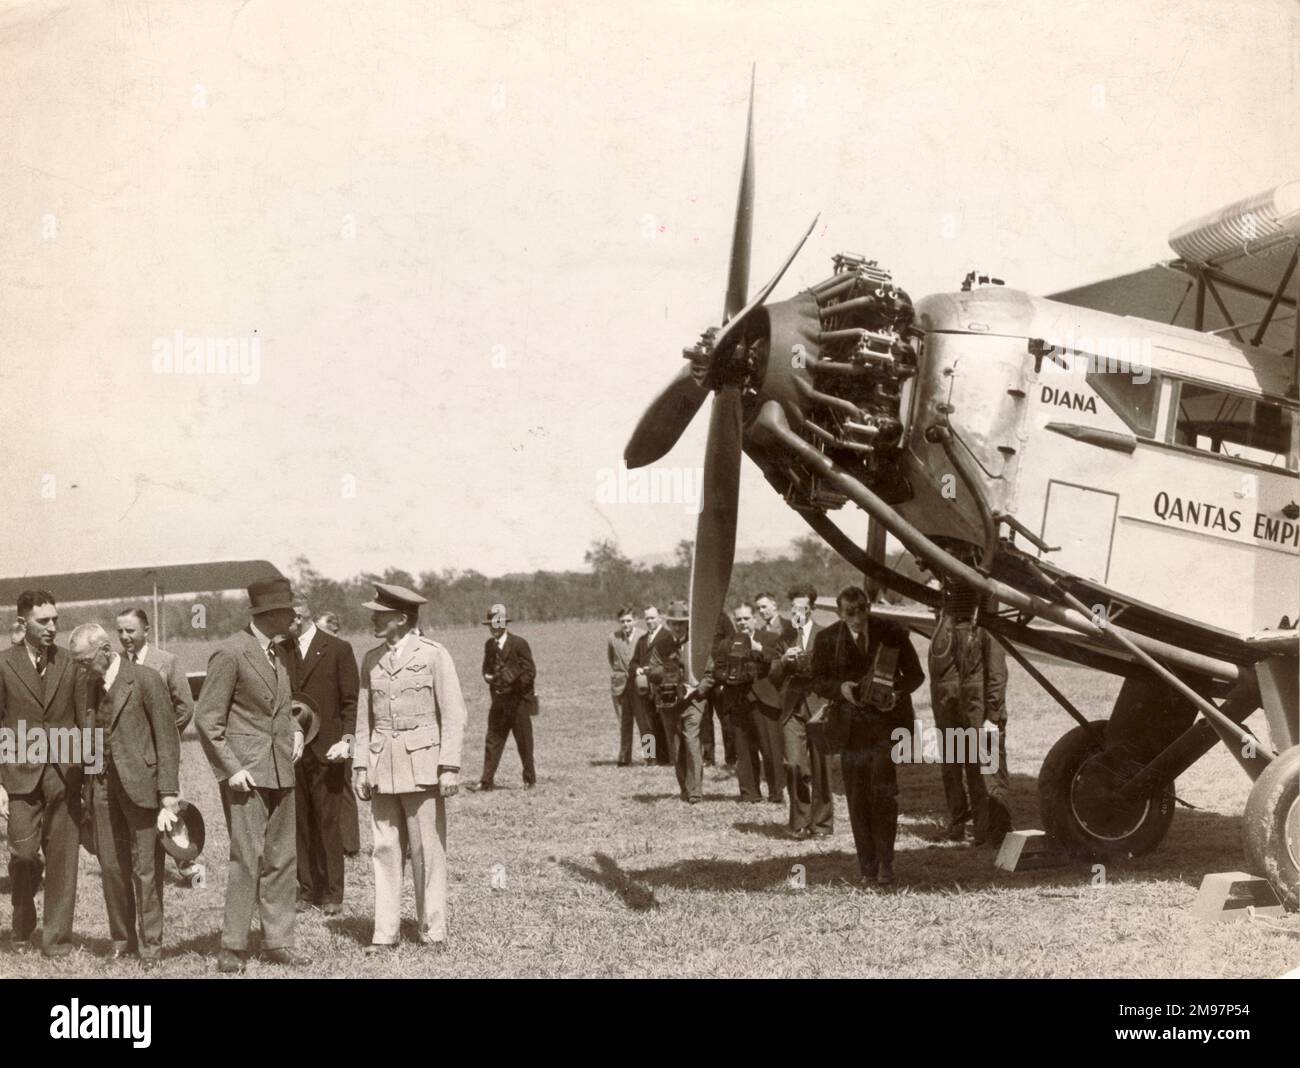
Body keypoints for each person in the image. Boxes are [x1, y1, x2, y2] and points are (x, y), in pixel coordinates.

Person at [194, 577, 307, 972]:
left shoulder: (278, 653)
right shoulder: (229, 653)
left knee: (282, 858)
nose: (295, 618)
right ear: (270, 614)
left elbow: (283, 707)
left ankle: (278, 941)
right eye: (289, 612)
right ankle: (233, 946)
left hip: (280, 770)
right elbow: (207, 721)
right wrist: (231, 769)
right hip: (247, 776)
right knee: (247, 858)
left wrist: (295, 731)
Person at [352, 583, 466, 952]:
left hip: (423, 767)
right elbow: (363, 719)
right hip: (381, 766)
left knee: (426, 852)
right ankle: (384, 934)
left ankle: (433, 930)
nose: (373, 618)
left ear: (401, 618)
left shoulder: (434, 655)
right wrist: (359, 766)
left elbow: (453, 712)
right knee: (384, 850)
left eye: (380, 614)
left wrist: (449, 765)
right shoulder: (370, 660)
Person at [69, 623, 180, 967]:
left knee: (146, 869)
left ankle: (151, 946)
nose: (80, 668)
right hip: (101, 787)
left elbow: (167, 737)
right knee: (112, 867)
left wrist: (168, 794)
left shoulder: (145, 680)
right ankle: (122, 939)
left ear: (105, 650)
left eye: (85, 661)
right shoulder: (86, 685)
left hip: (142, 788)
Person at [811, 585, 923, 885]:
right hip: (850, 732)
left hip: (886, 728)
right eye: (851, 612)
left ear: (869, 607)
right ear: (839, 613)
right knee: (858, 798)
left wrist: (896, 694)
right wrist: (841, 689)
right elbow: (818, 681)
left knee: (884, 795)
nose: (858, 617)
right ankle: (867, 868)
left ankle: (887, 863)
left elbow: (916, 675)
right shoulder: (827, 639)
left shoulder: (892, 633)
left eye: (863, 609)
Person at [0, 590, 82, 956]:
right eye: (43, 620)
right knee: (22, 855)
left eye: (55, 619)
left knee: (63, 859)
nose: (52, 627)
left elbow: (86, 720)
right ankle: (22, 921)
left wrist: (89, 775)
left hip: (65, 774)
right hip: (19, 775)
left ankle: (57, 941)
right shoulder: (4, 665)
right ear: (22, 623)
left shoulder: (71, 663)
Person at [289, 602, 360, 915]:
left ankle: (332, 893)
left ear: (299, 617)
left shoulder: (338, 649)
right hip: (293, 750)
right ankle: (305, 890)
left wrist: (347, 741)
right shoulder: (280, 650)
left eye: (284, 617)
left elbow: (351, 702)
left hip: (328, 750)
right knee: (300, 822)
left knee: (328, 822)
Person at [928, 586, 1012, 845]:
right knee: (953, 769)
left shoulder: (985, 628)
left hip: (978, 713)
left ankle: (992, 832)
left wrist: (993, 715)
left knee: (985, 769)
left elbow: (997, 674)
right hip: (952, 710)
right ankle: (961, 824)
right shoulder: (946, 628)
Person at [771, 584, 832, 839]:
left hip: (819, 707)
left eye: (803, 608)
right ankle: (799, 821)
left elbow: (833, 673)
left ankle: (822, 824)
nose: (798, 612)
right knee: (795, 765)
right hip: (792, 709)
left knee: (822, 768)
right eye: (794, 608)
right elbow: (773, 677)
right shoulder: (783, 638)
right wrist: (784, 660)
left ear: (813, 609)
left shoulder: (826, 636)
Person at [718, 602, 784, 804]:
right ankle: (749, 793)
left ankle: (776, 793)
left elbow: (779, 658)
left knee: (771, 748)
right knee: (744, 751)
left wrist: (758, 648)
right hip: (738, 701)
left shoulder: (769, 638)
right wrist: (728, 677)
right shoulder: (726, 643)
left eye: (746, 618)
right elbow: (717, 669)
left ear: (754, 619)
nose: (742, 623)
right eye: (738, 619)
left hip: (763, 700)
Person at [475, 603, 537, 790]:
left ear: (504, 624)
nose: (493, 629)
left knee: (524, 742)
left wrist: (514, 684)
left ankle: (529, 780)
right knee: (493, 741)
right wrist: (489, 678)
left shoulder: (519, 643)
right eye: (490, 625)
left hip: (518, 702)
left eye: (497, 624)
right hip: (499, 702)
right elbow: (486, 669)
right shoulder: (489, 646)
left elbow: (530, 672)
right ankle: (486, 782)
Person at [115, 607, 194, 735]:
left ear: (146, 631)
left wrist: (165, 736)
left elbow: (185, 708)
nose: (124, 636)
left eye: (130, 631)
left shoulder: (168, 661)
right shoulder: (115, 664)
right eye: (120, 631)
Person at [654, 600, 702, 803]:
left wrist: (694, 687)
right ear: (669, 624)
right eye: (674, 623)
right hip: (668, 701)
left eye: (681, 623)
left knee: (691, 742)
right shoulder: (661, 643)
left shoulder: (697, 643)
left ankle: (695, 791)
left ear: (688, 624)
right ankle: (684, 787)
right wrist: (665, 672)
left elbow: (707, 672)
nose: (677, 627)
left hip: (693, 701)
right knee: (676, 746)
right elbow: (653, 669)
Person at [629, 605, 674, 765]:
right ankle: (650, 758)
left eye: (652, 618)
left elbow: (672, 663)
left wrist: (654, 670)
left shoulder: (667, 637)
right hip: (644, 689)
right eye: (646, 618)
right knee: (646, 724)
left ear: (660, 617)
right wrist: (638, 669)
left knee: (666, 723)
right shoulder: (642, 640)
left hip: (662, 687)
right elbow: (633, 662)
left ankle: (670, 758)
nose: (649, 621)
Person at [607, 607, 649, 766]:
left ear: (635, 620)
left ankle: (650, 757)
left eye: (629, 620)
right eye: (623, 621)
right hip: (620, 687)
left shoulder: (642, 636)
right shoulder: (612, 638)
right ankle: (624, 758)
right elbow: (612, 660)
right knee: (624, 725)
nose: (625, 624)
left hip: (639, 685)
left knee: (645, 724)